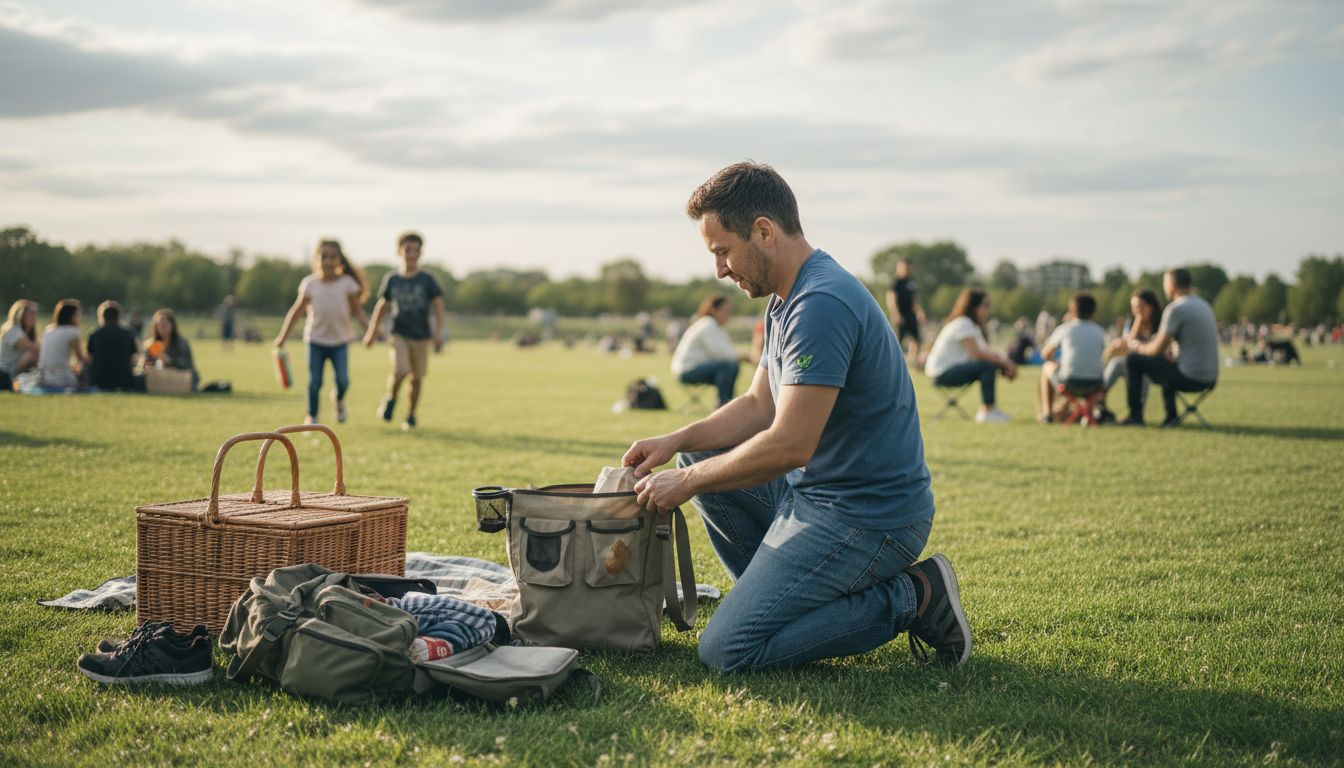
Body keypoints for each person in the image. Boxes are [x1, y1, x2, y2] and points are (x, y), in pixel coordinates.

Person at [622, 162, 970, 673]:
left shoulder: (820, 303)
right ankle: (773, 603)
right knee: (699, 451)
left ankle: (914, 596)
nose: (719, 270)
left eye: (723, 251)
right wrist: (676, 440)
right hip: (817, 497)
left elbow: (790, 444)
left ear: (764, 231)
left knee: (726, 651)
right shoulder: (785, 299)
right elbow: (758, 406)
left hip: (869, 518)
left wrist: (687, 482)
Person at [275, 240, 370, 425]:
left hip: (340, 341)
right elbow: (296, 312)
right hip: (315, 340)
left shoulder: (347, 284)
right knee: (315, 381)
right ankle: (312, 416)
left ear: (339, 259)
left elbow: (358, 312)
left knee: (343, 380)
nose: (328, 261)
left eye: (332, 257)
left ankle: (338, 399)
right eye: (324, 256)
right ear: (317, 259)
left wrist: (370, 332)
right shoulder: (310, 284)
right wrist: (282, 337)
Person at [364, 232, 445, 430]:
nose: (412, 254)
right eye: (408, 250)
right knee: (401, 370)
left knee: (416, 378)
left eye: (416, 250)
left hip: (422, 335)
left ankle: (410, 415)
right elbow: (382, 306)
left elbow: (438, 306)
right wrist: (372, 331)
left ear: (421, 253)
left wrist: (438, 332)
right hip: (399, 332)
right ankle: (390, 398)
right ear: (399, 251)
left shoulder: (427, 279)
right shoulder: (392, 279)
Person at [1122, 268, 1219, 426]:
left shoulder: (1176, 308)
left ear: (1172, 284)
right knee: (1166, 364)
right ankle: (1171, 416)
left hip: (1190, 377)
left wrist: (1137, 346)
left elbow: (1156, 350)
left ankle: (1135, 417)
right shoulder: (1204, 305)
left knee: (1133, 360)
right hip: (1210, 378)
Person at [923, 288, 1018, 423]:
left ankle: (990, 409)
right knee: (987, 366)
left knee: (988, 365)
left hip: (949, 370)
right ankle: (987, 410)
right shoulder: (963, 323)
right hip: (941, 373)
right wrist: (1004, 364)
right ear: (974, 307)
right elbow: (977, 355)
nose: (988, 309)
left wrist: (1004, 364)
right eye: (985, 305)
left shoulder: (972, 326)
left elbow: (986, 353)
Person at [1036, 292, 1105, 423]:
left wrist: (1057, 363)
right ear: (1094, 312)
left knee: (1046, 367)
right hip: (1096, 384)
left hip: (1070, 383)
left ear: (1071, 310)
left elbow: (1045, 354)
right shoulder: (1099, 331)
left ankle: (1047, 414)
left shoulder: (1065, 329)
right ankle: (1090, 412)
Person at [670, 295, 749, 407]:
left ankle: (727, 403)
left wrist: (741, 356)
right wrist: (745, 356)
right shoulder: (708, 325)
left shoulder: (712, 326)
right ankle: (724, 403)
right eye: (725, 311)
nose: (728, 315)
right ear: (714, 310)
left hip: (691, 368)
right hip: (687, 371)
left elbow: (726, 351)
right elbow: (720, 354)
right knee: (729, 367)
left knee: (730, 367)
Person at [1098, 289, 1162, 419]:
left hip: (1155, 366)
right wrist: (1138, 321)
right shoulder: (1132, 322)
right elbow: (1128, 344)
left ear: (1151, 306)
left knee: (1143, 372)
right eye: (1134, 308)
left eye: (1141, 307)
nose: (1137, 311)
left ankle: (1136, 413)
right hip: (1131, 365)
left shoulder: (1161, 323)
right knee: (1116, 362)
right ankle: (1098, 399)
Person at [86, 301, 142, 391]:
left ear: (102, 317)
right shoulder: (128, 334)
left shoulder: (95, 334)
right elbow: (133, 361)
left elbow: (90, 359)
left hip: (99, 380)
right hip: (124, 381)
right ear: (119, 317)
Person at [36, 299, 88, 389]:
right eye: (78, 315)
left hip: (43, 377)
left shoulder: (48, 330)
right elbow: (80, 358)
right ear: (72, 316)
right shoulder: (72, 331)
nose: (80, 318)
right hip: (61, 378)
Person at [144, 308, 199, 391]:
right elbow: (146, 364)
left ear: (172, 325)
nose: (162, 328)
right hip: (159, 379)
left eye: (165, 324)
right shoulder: (152, 344)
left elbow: (187, 365)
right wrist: (150, 366)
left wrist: (170, 361)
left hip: (181, 378)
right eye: (159, 325)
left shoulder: (181, 343)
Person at [886, 260, 925, 362]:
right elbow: (891, 299)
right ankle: (894, 360)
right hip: (900, 315)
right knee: (898, 340)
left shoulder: (912, 282)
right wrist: (895, 314)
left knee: (916, 339)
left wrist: (920, 312)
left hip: (911, 314)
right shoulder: (896, 282)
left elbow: (915, 299)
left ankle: (913, 361)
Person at [0, 299, 40, 391]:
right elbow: (34, 350)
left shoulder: (28, 332)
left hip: (14, 369)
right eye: (31, 313)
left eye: (35, 313)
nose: (35, 317)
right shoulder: (12, 329)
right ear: (20, 314)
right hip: (4, 373)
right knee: (33, 354)